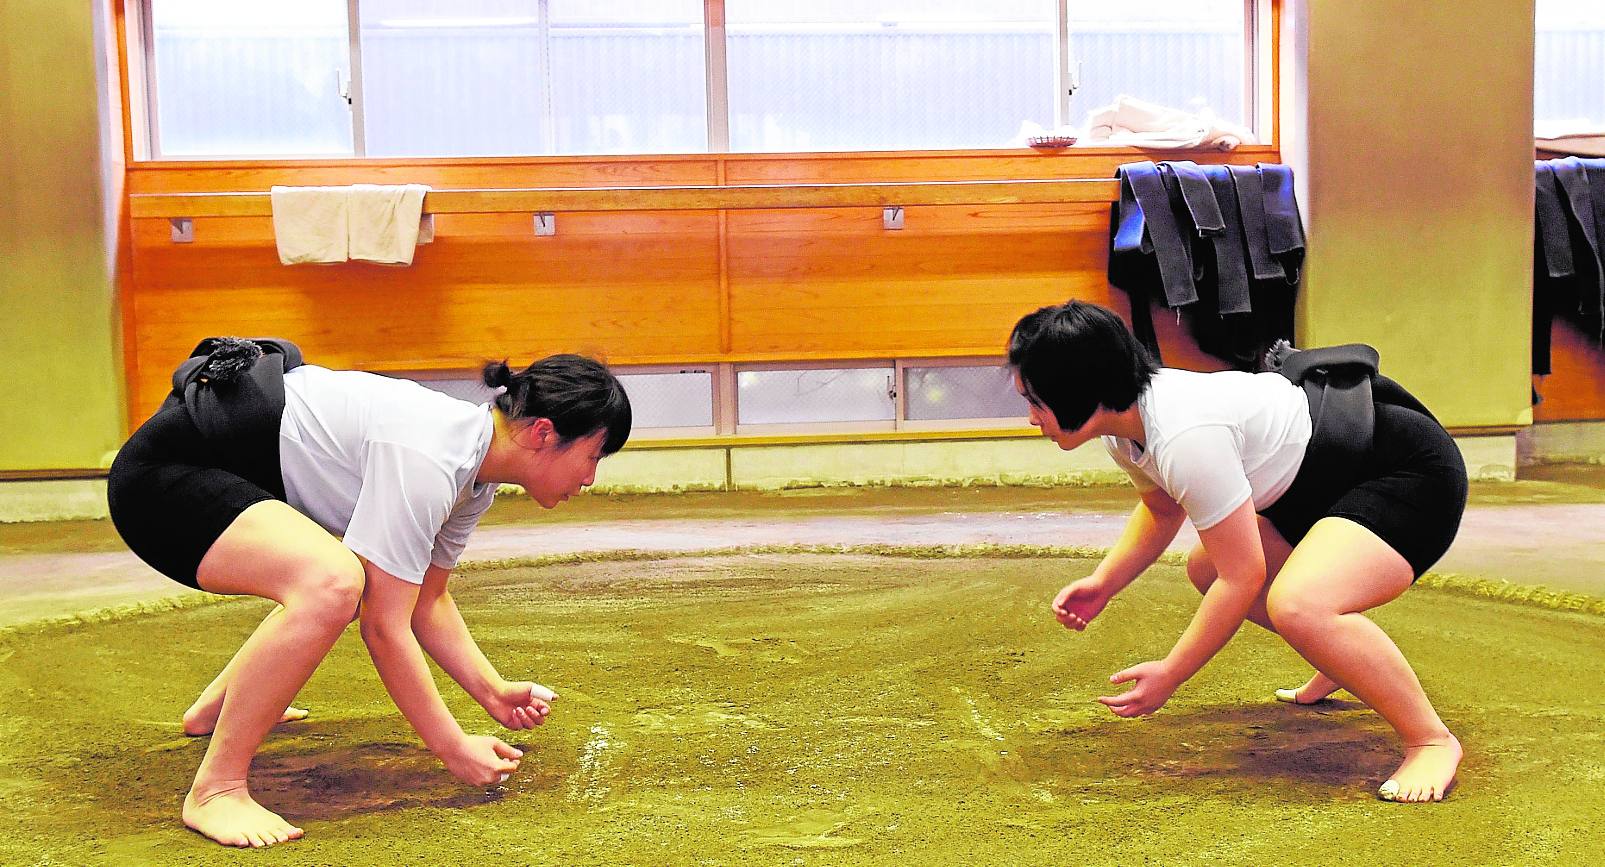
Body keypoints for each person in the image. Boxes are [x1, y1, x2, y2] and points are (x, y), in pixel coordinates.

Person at [107, 347, 631, 847]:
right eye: (592, 457)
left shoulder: (473, 476)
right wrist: (452, 747)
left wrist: (491, 691)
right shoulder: (431, 455)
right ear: (544, 433)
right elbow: (384, 625)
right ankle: (216, 789)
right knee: (333, 582)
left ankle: (217, 708)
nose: (589, 478)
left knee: (339, 577)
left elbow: (428, 599)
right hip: (165, 481)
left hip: (232, 478)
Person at [1007, 300, 1467, 803]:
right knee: (1206, 566)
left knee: (1300, 604)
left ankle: (1430, 739)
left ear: (1082, 393)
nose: (1032, 418)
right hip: (1322, 481)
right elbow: (1163, 511)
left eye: (1038, 402)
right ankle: (1344, 659)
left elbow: (1243, 577)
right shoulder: (1125, 429)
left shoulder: (1184, 435)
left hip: (1404, 473)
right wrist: (1105, 582)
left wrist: (1172, 673)